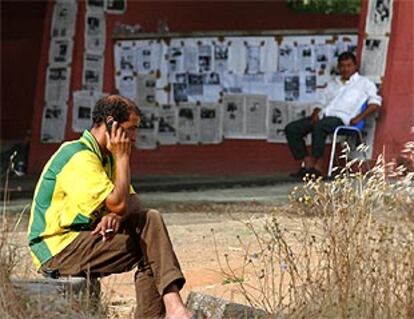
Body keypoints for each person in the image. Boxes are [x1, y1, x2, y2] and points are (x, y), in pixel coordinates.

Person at [27, 95, 193, 319]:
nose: (134, 138)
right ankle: (174, 307)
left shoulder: (105, 157)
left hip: (82, 241)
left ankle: (169, 307)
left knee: (149, 223)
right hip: (57, 249)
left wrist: (117, 215)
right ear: (111, 123)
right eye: (131, 129)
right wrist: (123, 159)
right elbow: (121, 202)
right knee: (151, 243)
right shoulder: (78, 156)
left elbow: (133, 202)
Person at [285, 51, 382, 178]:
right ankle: (307, 164)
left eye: (349, 65)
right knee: (292, 129)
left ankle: (318, 168)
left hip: (342, 119)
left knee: (320, 127)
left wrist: (359, 117)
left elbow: (375, 103)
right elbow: (320, 101)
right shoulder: (333, 83)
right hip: (323, 116)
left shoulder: (364, 84)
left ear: (355, 66)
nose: (345, 69)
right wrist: (315, 112)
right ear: (338, 67)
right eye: (342, 66)